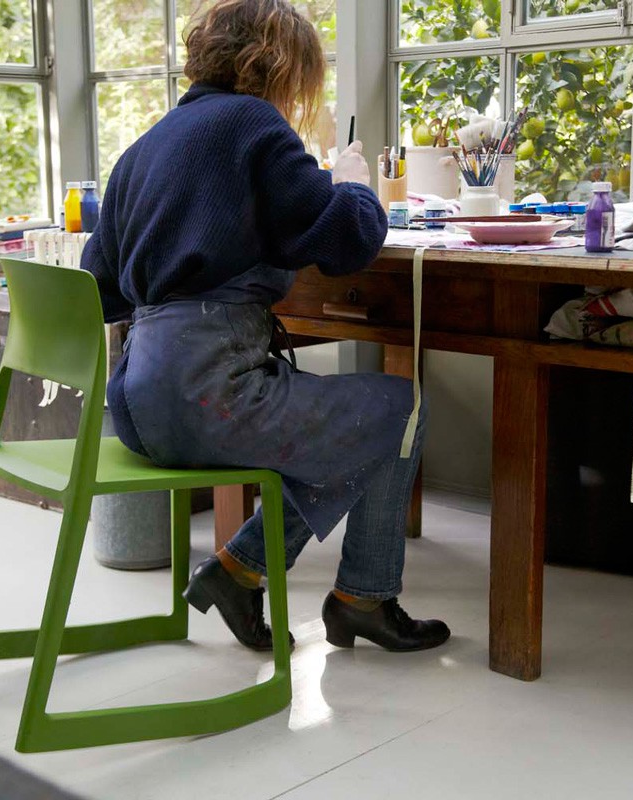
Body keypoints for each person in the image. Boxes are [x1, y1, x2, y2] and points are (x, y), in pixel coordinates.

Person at [81, 0, 449, 653]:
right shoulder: (254, 123)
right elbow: (346, 240)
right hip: (206, 398)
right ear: (278, 65)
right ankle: (359, 597)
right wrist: (353, 184)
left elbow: (99, 287)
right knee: (399, 412)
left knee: (332, 425)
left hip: (135, 405)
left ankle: (243, 570)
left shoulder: (144, 147)